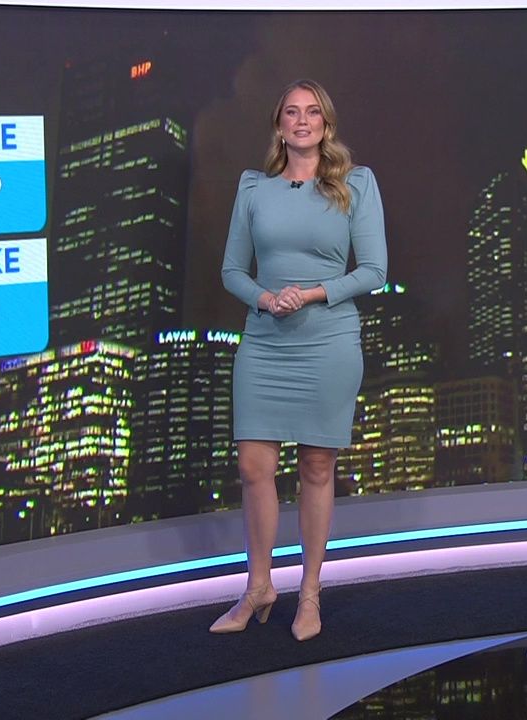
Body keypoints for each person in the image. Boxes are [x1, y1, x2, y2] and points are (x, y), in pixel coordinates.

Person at [211, 79, 387, 641]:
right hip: (265, 342)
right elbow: (232, 270)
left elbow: (375, 271)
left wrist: (310, 293)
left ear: (326, 124)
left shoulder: (355, 184)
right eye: (292, 112)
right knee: (253, 468)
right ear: (280, 125)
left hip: (328, 341)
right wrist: (266, 299)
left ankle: (309, 592)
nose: (303, 120)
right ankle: (258, 588)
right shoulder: (253, 190)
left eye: (313, 112)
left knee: (316, 467)